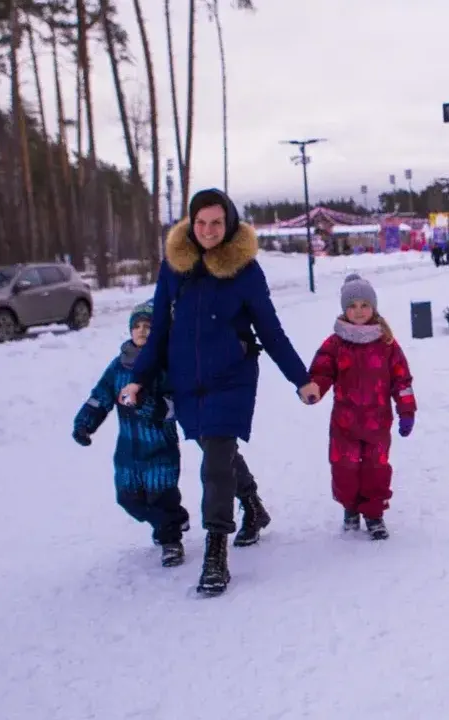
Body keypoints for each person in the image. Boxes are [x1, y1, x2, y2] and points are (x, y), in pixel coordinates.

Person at [120, 188, 321, 596]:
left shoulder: (245, 270)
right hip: (187, 379)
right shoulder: (174, 267)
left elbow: (270, 330)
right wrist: (138, 378)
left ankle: (216, 553)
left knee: (214, 461)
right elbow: (159, 330)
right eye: (201, 222)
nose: (208, 230)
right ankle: (253, 506)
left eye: (216, 222)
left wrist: (301, 379)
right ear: (191, 224)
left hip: (232, 377)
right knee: (218, 452)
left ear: (228, 223)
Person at [73, 300, 190, 567]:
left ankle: (170, 540)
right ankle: (172, 519)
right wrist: (84, 424)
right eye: (136, 326)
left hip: (160, 448)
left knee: (161, 496)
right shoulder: (119, 367)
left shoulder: (166, 364)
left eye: (148, 326)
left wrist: (150, 405)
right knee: (128, 498)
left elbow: (177, 405)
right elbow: (100, 397)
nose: (142, 331)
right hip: (128, 450)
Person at [307, 273, 416, 540]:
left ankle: (374, 514)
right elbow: (321, 372)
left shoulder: (386, 343)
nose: (358, 311)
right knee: (344, 467)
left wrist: (406, 410)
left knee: (376, 469)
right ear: (344, 309)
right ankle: (350, 507)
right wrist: (314, 389)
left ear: (373, 307)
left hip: (378, 423)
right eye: (352, 306)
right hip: (345, 423)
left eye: (364, 305)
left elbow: (402, 379)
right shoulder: (335, 344)